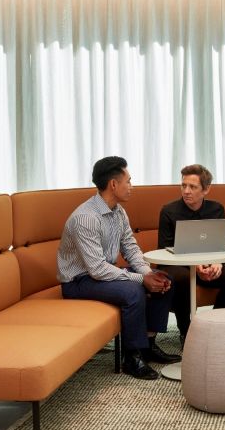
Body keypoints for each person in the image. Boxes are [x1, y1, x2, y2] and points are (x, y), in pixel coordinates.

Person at [57, 156, 181, 380]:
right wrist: (141, 280)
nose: (132, 186)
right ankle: (132, 358)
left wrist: (148, 273)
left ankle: (147, 345)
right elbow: (96, 269)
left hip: (103, 273)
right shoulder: (86, 218)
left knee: (164, 279)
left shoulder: (118, 211)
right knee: (133, 291)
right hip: (79, 281)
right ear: (113, 184)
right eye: (129, 181)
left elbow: (130, 248)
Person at [158, 164, 225, 341]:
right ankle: (186, 331)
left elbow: (222, 245)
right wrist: (194, 265)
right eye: (183, 185)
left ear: (206, 189)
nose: (186, 191)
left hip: (208, 263)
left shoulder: (217, 209)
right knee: (183, 278)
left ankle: (214, 325)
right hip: (177, 265)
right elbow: (164, 248)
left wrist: (217, 263)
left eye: (193, 187)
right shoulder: (168, 211)